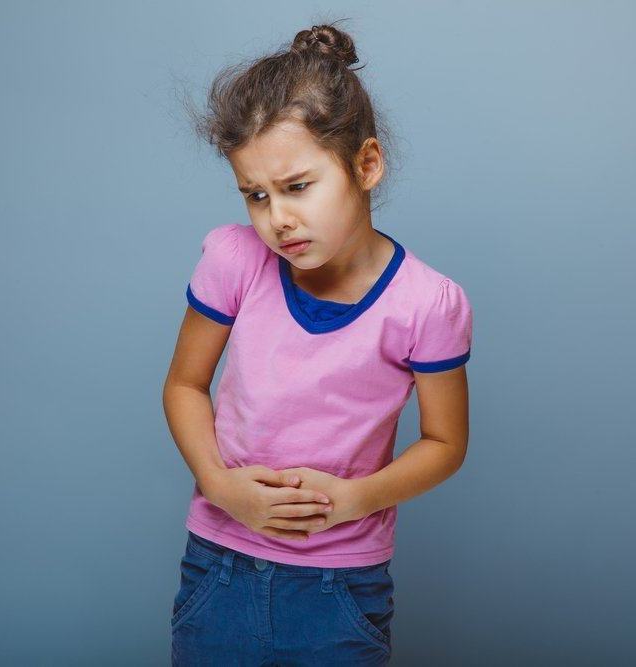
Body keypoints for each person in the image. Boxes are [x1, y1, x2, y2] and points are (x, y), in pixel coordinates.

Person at [163, 20, 474, 666]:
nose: (277, 218)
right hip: (220, 567)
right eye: (256, 195)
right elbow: (185, 385)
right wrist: (219, 485)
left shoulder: (426, 304)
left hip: (340, 586)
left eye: (297, 187)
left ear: (366, 164)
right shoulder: (235, 261)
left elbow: (445, 444)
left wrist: (354, 499)